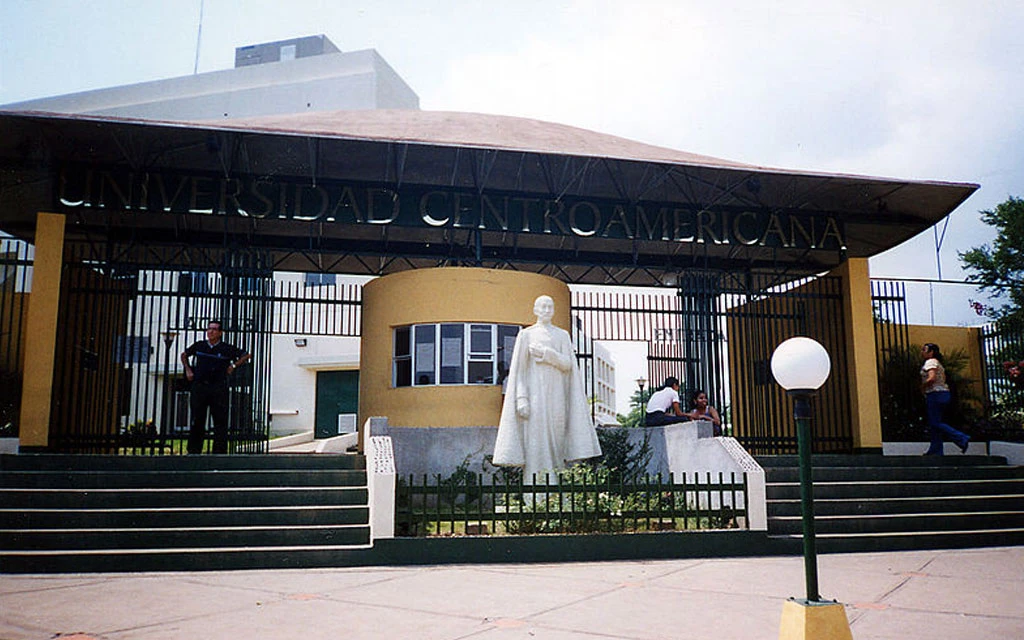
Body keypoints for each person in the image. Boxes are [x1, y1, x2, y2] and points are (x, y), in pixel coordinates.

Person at [493, 295, 602, 480]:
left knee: (557, 439)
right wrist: (521, 398)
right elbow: (519, 370)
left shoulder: (562, 335)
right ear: (535, 309)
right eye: (542, 307)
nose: (546, 310)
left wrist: (548, 355)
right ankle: (534, 486)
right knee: (535, 441)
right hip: (534, 395)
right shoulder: (526, 335)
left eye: (550, 307)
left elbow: (568, 365)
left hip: (557, 395)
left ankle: (556, 485)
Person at [180, 320, 252, 454]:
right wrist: (188, 370)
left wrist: (233, 366)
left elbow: (246, 355)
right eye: (208, 329)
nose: (210, 332)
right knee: (197, 419)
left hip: (218, 387)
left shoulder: (226, 348)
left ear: (220, 333)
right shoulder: (199, 345)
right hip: (200, 386)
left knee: (220, 420)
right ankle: (194, 451)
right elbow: (184, 355)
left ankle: (219, 452)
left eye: (214, 329)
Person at [920, 342, 969, 456]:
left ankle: (961, 437)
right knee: (935, 424)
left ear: (931, 352)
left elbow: (931, 378)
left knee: (935, 422)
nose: (922, 352)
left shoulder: (930, 362)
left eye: (924, 350)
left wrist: (922, 387)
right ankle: (936, 450)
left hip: (935, 394)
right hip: (942, 394)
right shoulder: (939, 364)